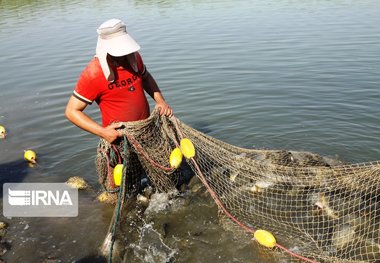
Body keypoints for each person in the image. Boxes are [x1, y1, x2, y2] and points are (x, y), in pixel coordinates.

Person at [65, 19, 173, 193]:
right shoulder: (94, 73)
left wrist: (160, 101)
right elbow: (71, 111)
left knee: (161, 178)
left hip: (146, 132)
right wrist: (103, 132)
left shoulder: (135, 58)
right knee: (121, 188)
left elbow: (146, 77)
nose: (124, 54)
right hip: (118, 139)